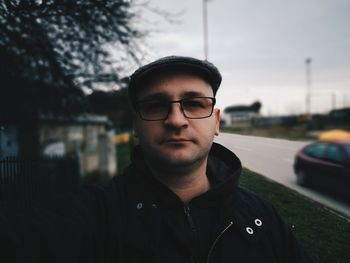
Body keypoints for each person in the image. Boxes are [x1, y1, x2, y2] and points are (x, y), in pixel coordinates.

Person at [0, 56, 313, 263]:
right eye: (154, 105)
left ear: (216, 121)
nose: (176, 120)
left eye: (193, 103)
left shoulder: (262, 219)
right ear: (136, 124)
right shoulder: (96, 217)